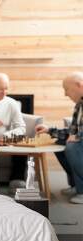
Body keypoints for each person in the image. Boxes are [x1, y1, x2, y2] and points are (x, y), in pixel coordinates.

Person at [36, 72, 83, 204]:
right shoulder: (79, 105)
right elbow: (72, 131)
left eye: (66, 89)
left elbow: (76, 134)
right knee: (58, 144)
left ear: (79, 85)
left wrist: (78, 135)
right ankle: (76, 185)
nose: (65, 94)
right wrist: (50, 131)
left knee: (72, 146)